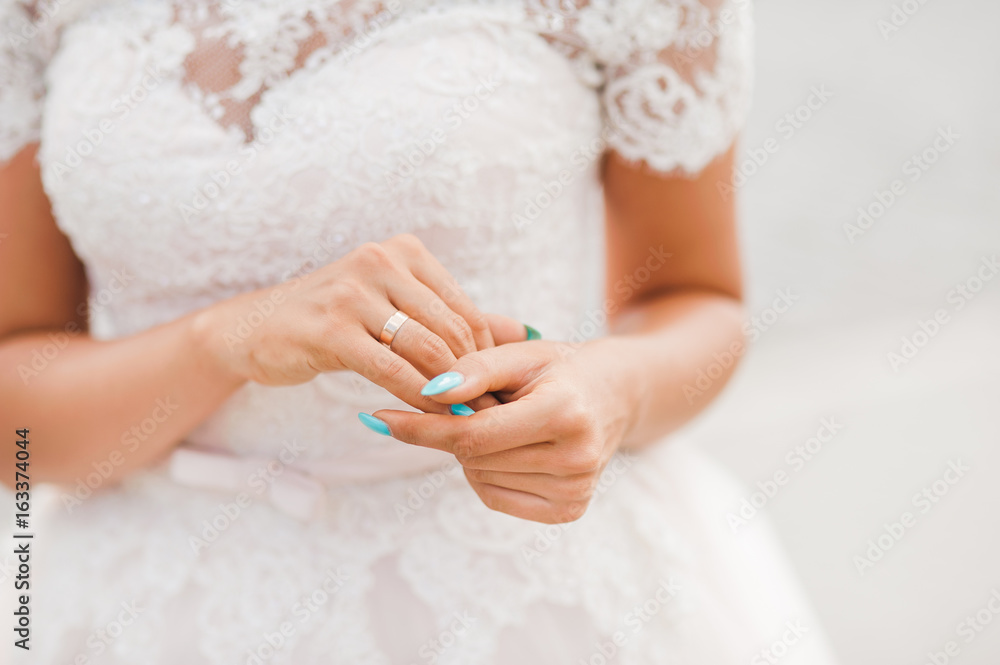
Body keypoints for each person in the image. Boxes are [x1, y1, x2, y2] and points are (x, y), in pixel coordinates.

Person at [0, 0, 838, 662]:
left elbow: (696, 296)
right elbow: (17, 428)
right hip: (144, 598)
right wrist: (222, 341)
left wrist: (612, 390)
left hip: (519, 575)